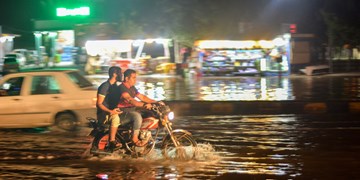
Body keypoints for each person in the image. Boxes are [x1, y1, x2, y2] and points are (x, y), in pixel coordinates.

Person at [117, 69, 164, 147]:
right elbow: (130, 100)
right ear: (127, 78)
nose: (135, 80)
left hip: (130, 112)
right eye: (134, 78)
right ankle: (134, 138)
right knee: (137, 116)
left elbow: (142, 97)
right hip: (122, 113)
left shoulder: (132, 88)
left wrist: (156, 102)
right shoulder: (122, 88)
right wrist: (145, 105)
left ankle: (143, 134)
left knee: (149, 114)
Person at [96, 66, 123, 152]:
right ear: (114, 74)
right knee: (115, 118)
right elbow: (99, 103)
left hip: (112, 110)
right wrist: (110, 111)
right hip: (104, 114)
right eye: (120, 73)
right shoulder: (105, 86)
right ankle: (112, 142)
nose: (121, 75)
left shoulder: (115, 86)